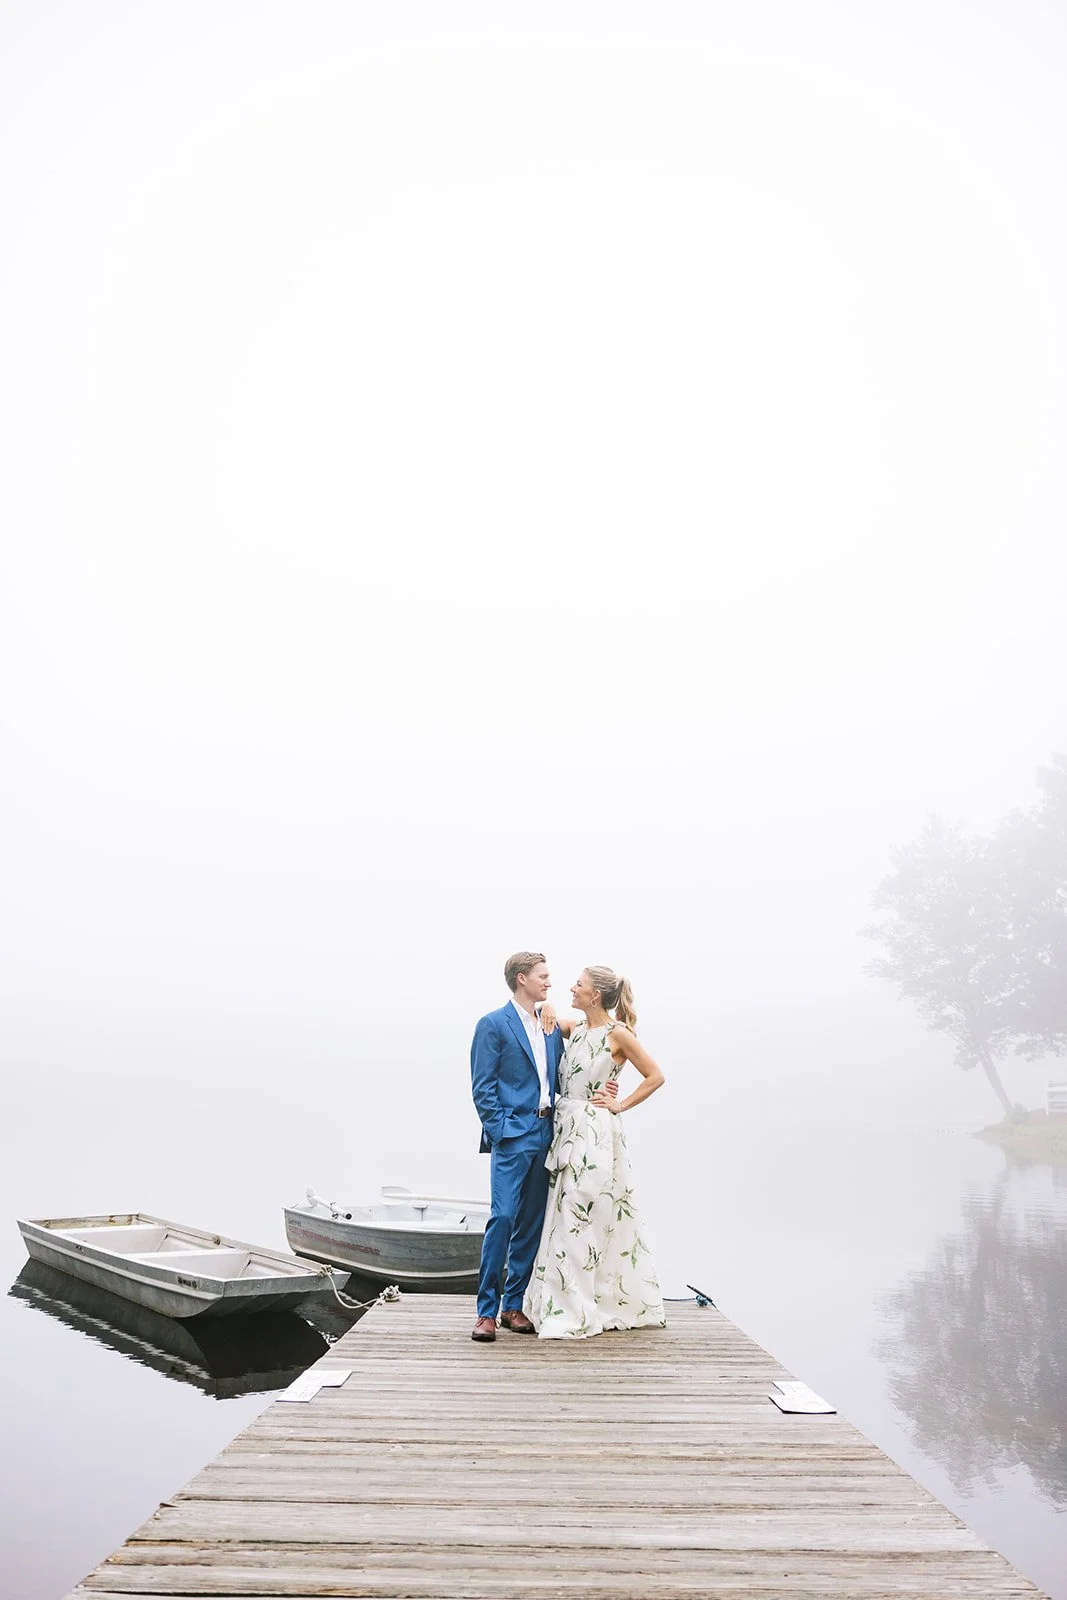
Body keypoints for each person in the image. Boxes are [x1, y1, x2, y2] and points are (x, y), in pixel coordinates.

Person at [524, 965, 666, 1339]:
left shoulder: (618, 1034)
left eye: (579, 985)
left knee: (580, 1215)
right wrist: (548, 1007)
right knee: (562, 1214)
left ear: (595, 995)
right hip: (565, 1127)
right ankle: (561, 1301)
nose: (572, 988)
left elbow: (655, 1075)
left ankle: (576, 1308)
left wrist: (621, 1104)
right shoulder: (580, 1029)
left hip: (594, 1132)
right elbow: (540, 1014)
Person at [469, 952, 568, 1343]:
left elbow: (564, 1069)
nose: (549, 982)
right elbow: (483, 1087)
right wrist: (503, 1131)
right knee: (503, 1218)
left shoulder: (549, 1024)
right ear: (522, 978)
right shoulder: (493, 1024)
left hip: (547, 1135)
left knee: (530, 1223)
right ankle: (486, 1312)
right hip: (513, 1137)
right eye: (543, 976)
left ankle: (513, 1306)